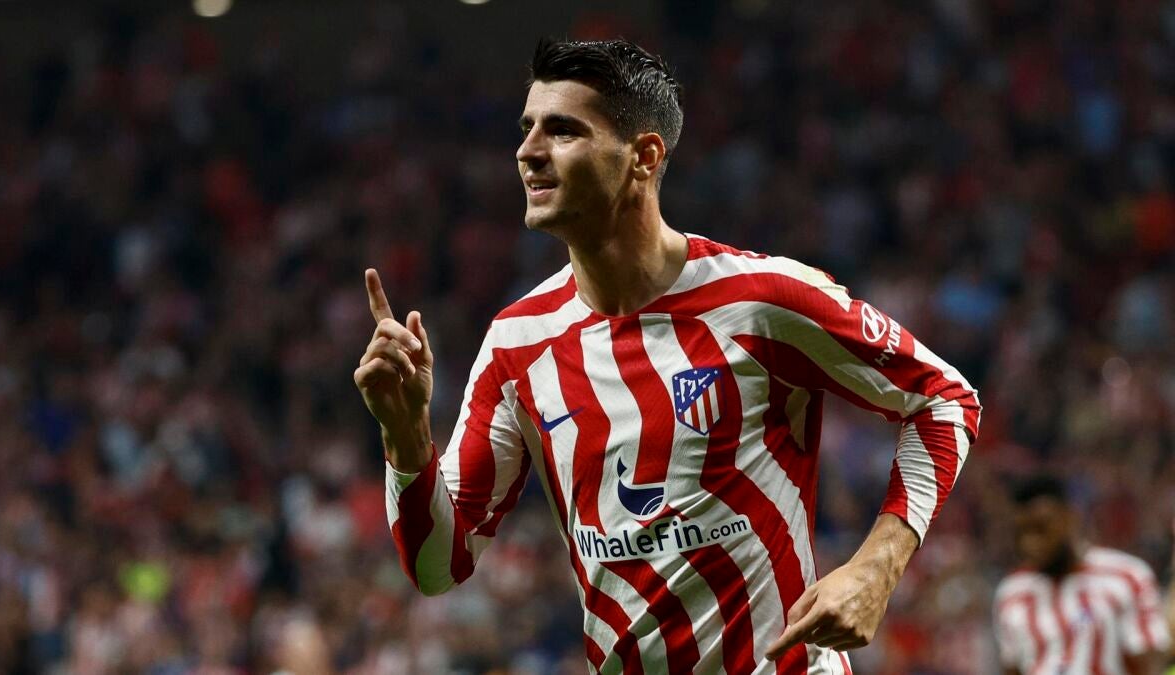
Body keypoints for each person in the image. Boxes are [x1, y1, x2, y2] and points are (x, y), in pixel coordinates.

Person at [354, 38, 980, 674]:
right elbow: (438, 566)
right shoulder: (517, 342)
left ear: (644, 156)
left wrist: (877, 566)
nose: (528, 151)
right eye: (527, 129)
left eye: (562, 130)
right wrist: (405, 437)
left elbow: (945, 399)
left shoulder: (760, 298)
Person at [993, 475, 1170, 675]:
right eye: (1022, 532)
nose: (1030, 543)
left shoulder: (1125, 576)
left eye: (1041, 528)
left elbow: (1150, 661)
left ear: (1070, 518)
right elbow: (1012, 667)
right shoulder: (1012, 592)